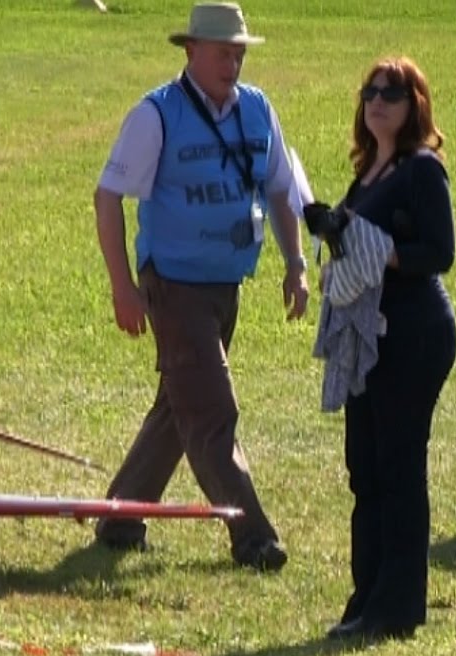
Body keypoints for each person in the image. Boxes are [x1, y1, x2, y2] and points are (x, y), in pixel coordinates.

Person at [90, 2, 309, 572]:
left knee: (179, 405)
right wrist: (123, 286)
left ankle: (119, 516)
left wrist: (296, 263)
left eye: (239, 54)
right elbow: (108, 197)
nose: (232, 64)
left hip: (225, 286)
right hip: (174, 287)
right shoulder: (156, 114)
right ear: (191, 51)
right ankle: (253, 536)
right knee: (212, 412)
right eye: (221, 53)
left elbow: (281, 189)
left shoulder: (257, 109)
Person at [304, 56, 456, 642]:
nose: (377, 102)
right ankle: (366, 598)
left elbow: (439, 253)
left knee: (398, 468)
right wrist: (335, 235)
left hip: (414, 335)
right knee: (364, 469)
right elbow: (356, 248)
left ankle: (396, 608)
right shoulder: (367, 171)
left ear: (414, 105)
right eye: (370, 92)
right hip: (367, 335)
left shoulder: (422, 170)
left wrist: (381, 250)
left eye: (391, 94)